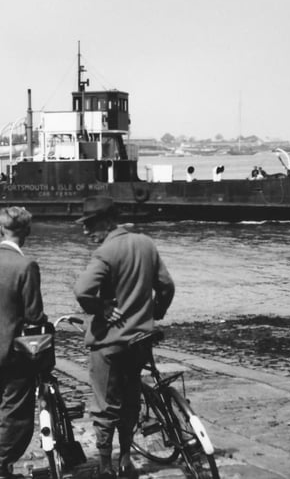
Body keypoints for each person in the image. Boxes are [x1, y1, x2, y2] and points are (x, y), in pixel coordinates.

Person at [72, 196, 175, 478]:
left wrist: (102, 308)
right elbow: (166, 286)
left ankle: (105, 466)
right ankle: (126, 459)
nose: (85, 231)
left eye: (90, 224)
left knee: (105, 406)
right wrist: (156, 312)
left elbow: (82, 290)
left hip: (109, 344)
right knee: (131, 400)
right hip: (140, 340)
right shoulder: (145, 244)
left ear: (106, 222)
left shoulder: (105, 253)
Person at [0, 206, 47, 479]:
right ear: (26, 232)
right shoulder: (26, 266)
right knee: (16, 416)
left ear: (0, 229)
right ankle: (2, 470)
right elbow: (34, 315)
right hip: (14, 353)